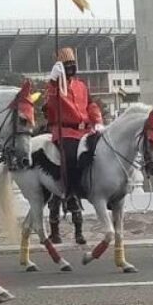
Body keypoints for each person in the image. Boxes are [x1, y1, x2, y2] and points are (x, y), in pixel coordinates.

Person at [43, 48, 103, 244]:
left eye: (72, 64)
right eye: (66, 65)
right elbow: (50, 105)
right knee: (69, 157)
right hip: (65, 132)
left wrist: (97, 121)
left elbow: (91, 105)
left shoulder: (81, 85)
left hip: (85, 130)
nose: (71, 68)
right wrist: (53, 81)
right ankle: (70, 193)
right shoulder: (55, 88)